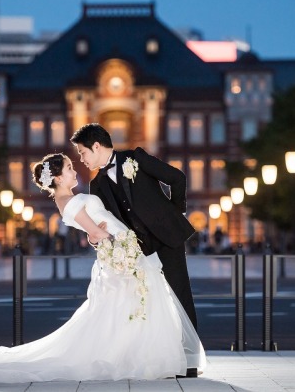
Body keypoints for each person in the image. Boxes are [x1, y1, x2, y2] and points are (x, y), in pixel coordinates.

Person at [0, 153, 206, 384]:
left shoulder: (69, 200)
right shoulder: (70, 202)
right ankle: (143, 359)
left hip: (121, 257)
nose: (77, 170)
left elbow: (93, 234)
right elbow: (97, 234)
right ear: (57, 178)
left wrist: (102, 236)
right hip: (121, 257)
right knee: (134, 307)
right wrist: (110, 238)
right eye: (71, 168)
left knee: (127, 309)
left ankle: (139, 357)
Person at [70, 122, 200, 377]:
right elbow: (102, 223)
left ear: (96, 146)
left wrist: (173, 213)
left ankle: (190, 362)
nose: (82, 159)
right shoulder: (95, 186)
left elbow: (177, 178)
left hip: (167, 238)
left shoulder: (135, 158)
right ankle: (162, 359)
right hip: (138, 249)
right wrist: (96, 239)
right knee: (151, 302)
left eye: (83, 153)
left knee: (180, 295)